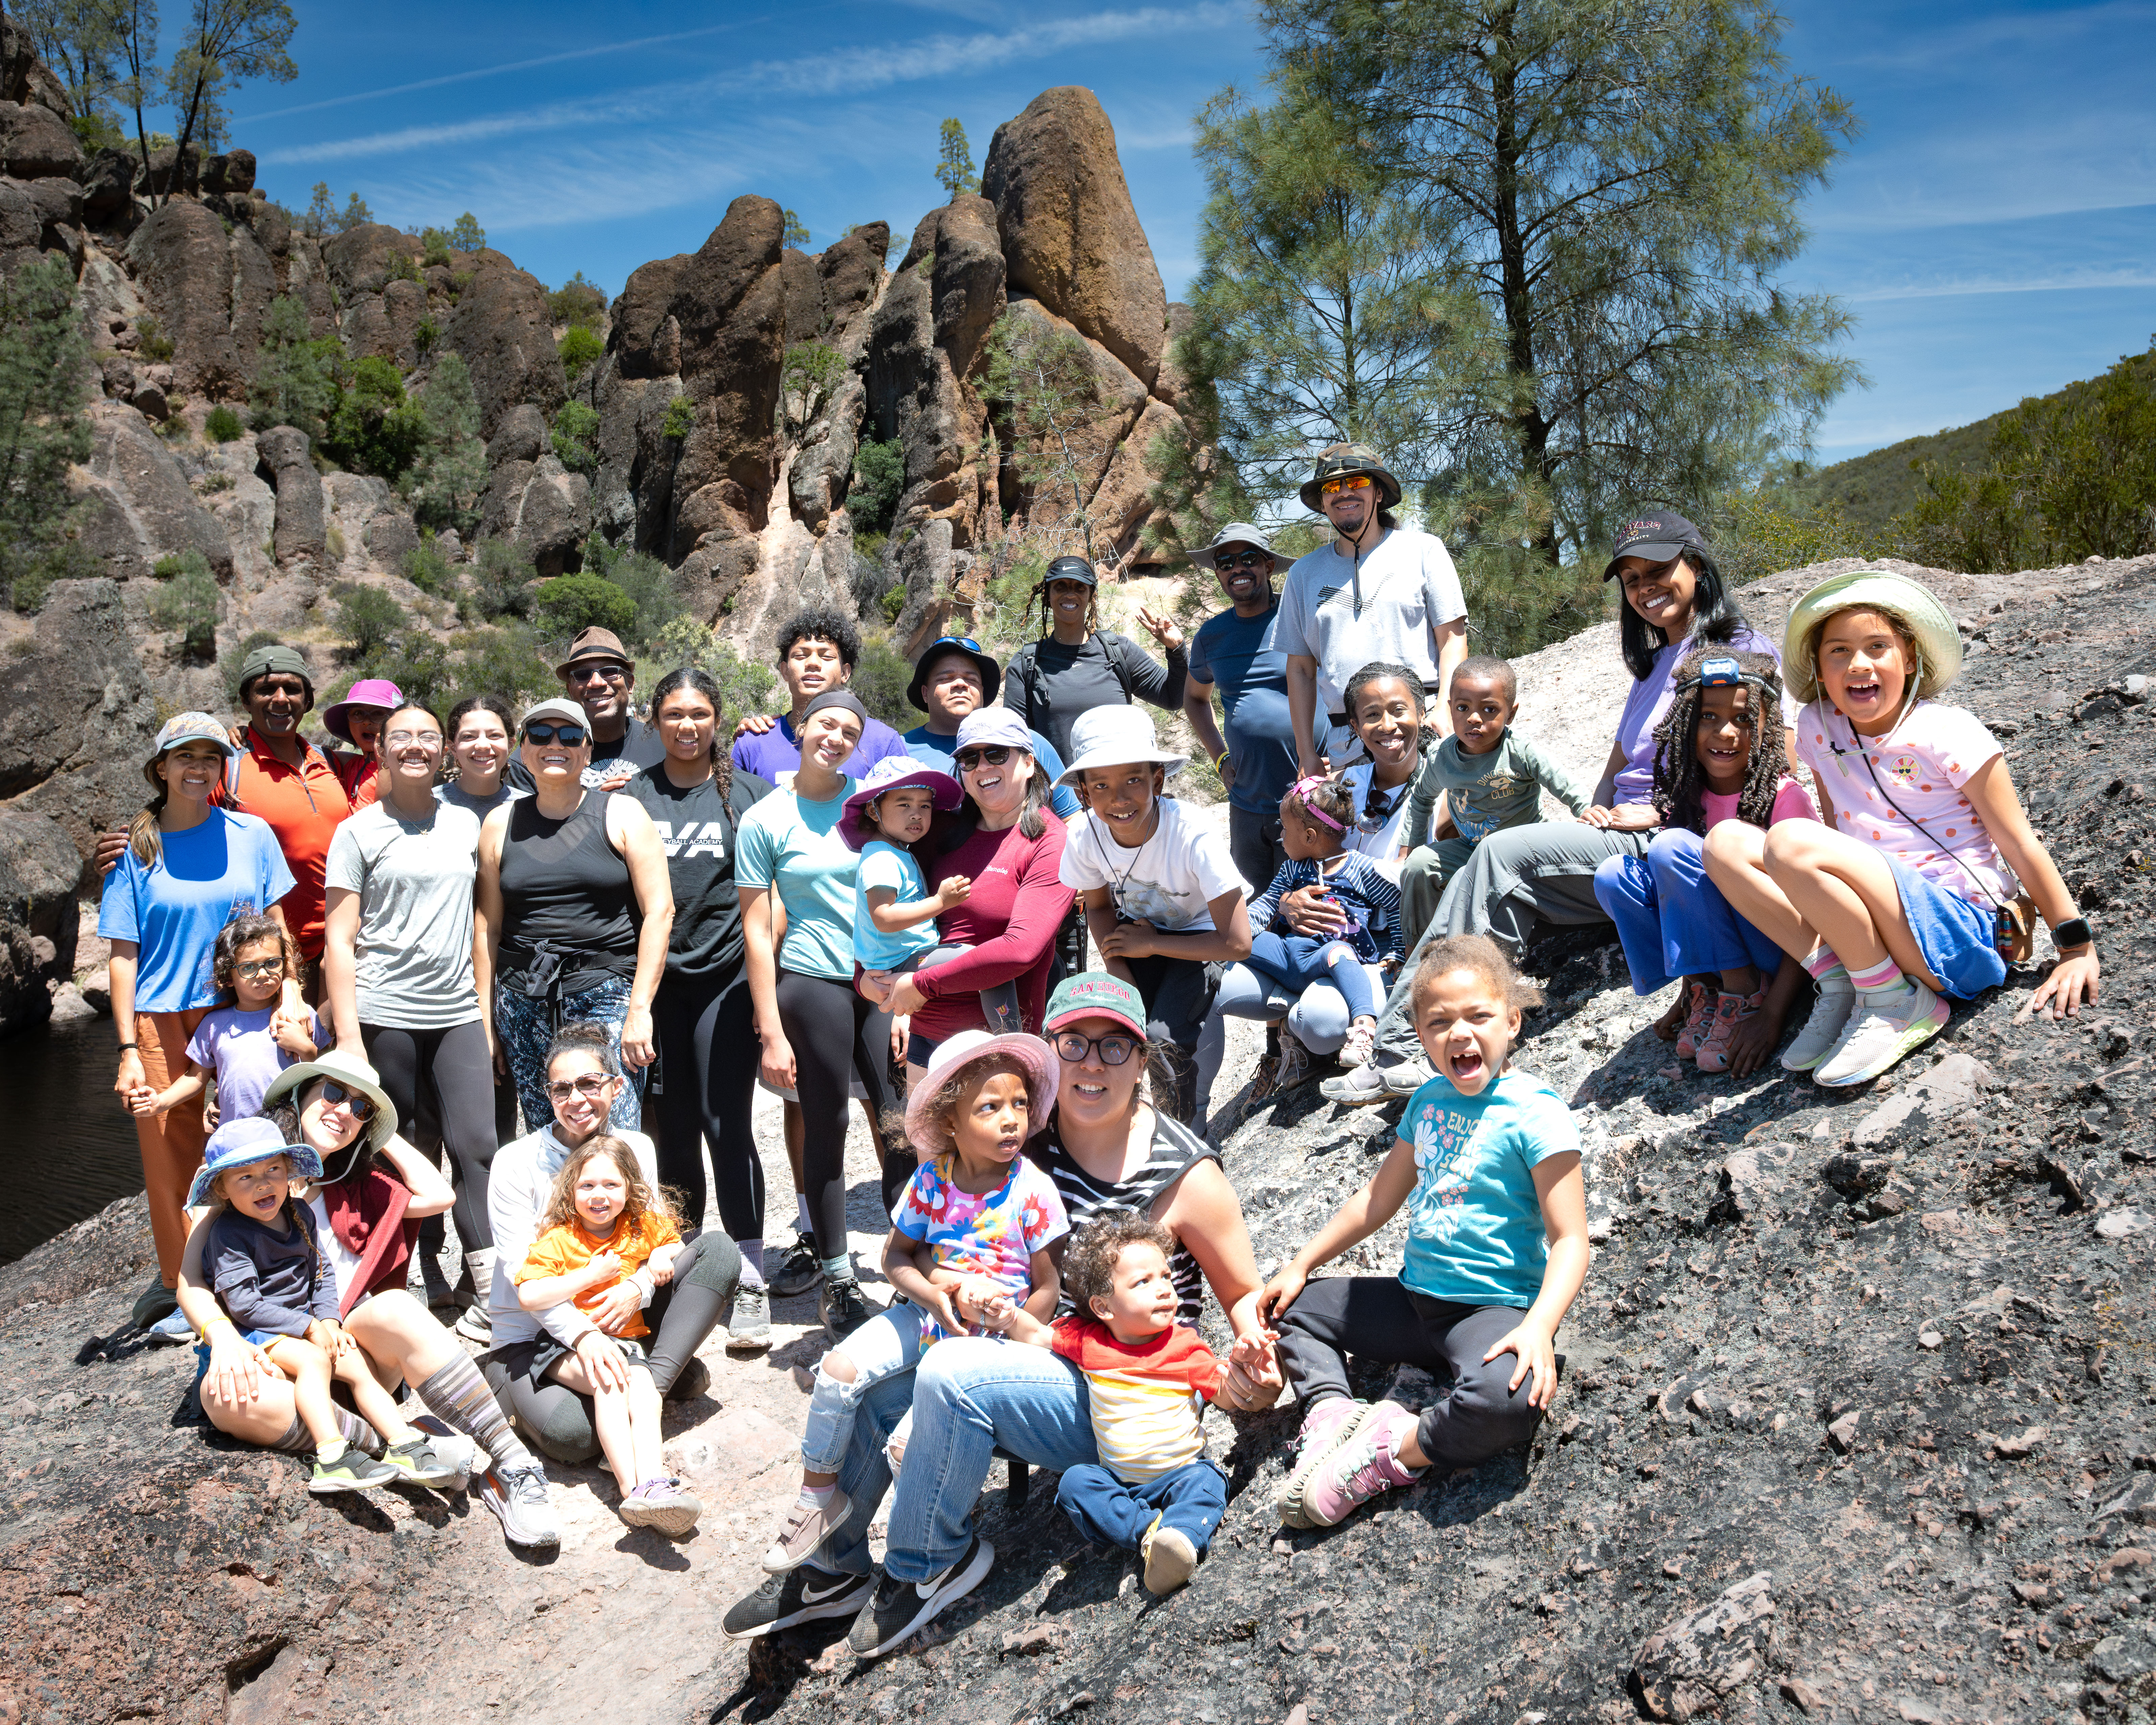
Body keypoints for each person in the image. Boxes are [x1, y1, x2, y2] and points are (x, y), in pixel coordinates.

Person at [719, 972, 1285, 1659]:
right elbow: (929, 1246)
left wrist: (1256, 1376)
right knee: (873, 1391)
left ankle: (926, 1565)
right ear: (1052, 1051)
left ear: (1143, 1059)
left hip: (1124, 1399)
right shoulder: (1021, 1144)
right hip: (1031, 1356)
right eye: (1074, 1042)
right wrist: (948, 1283)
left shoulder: (1188, 1175)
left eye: (1114, 1048)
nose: (1090, 1063)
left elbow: (1247, 1307)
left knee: (954, 1374)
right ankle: (834, 1571)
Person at [1322, 510, 1796, 1105]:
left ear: (1696, 567)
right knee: (1479, 875)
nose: (1646, 587)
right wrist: (1592, 813)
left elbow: (1766, 764)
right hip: (1614, 848)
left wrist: (1664, 811)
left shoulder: (1736, 650)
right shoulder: (1653, 666)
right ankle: (1446, 1040)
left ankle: (1405, 1045)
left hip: (1671, 842)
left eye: (1659, 570)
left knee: (1499, 855)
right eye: (1631, 579)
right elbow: (1617, 766)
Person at [1705, 569, 2101, 1085]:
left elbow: (2018, 840)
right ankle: (1846, 982)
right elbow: (1839, 831)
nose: (1859, 664)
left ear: (1910, 657)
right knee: (1724, 843)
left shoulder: (1948, 730)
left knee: (1790, 841)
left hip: (1960, 936)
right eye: (1839, 652)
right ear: (1821, 671)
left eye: (1877, 646)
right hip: (1878, 929)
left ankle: (1895, 1002)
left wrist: (2075, 948)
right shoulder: (1816, 726)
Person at [1259, 935, 1589, 1529]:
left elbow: (1571, 1238)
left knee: (1504, 1403)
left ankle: (1391, 1451)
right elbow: (1378, 1197)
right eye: (1439, 1023)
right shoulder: (1429, 1100)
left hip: (1489, 1312)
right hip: (1415, 1303)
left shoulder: (1537, 1112)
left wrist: (1539, 1326)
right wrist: (1301, 1263)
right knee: (1290, 1304)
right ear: (1418, 1032)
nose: (1460, 1034)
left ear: (1512, 1020)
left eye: (1479, 1016)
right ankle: (1333, 1414)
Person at [173, 1051, 563, 1547]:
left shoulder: (362, 1186)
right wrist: (224, 1339)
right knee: (231, 1400)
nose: (344, 1111)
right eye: (333, 1094)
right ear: (299, 1094)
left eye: (362, 1109)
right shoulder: (238, 1176)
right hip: (265, 1354)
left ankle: (512, 1466)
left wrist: (377, 1128)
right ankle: (398, 1444)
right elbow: (190, 1282)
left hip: (344, 1347)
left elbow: (439, 1194)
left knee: (398, 1308)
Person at [759, 1029, 1064, 1575]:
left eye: (1019, 1103)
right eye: (990, 1107)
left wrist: (1012, 1329)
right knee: (836, 1371)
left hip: (989, 1343)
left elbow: (1049, 1287)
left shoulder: (1032, 1189)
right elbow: (895, 1258)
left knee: (908, 1447)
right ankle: (818, 1498)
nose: (1011, 1118)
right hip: (927, 1313)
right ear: (951, 1121)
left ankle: (935, 1543)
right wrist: (936, 1295)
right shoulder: (932, 1180)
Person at [104, 713, 297, 1341]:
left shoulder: (252, 833)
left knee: (262, 1140)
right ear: (161, 768)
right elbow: (123, 955)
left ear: (222, 768)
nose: (198, 768)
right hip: (162, 1018)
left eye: (210, 758)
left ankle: (273, 1265)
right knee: (170, 1152)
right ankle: (186, 1284)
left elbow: (276, 927)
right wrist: (129, 1050)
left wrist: (289, 992)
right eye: (184, 757)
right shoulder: (137, 850)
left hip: (242, 1006)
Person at [484, 1023, 743, 1465]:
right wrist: (583, 1336)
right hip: (536, 1337)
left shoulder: (637, 1147)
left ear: (617, 1086)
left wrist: (638, 1287)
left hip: (621, 1315)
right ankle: (658, 1372)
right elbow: (523, 1280)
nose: (576, 1099)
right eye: (562, 1089)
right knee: (575, 1438)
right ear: (548, 1096)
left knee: (717, 1251)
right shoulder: (515, 1163)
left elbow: (657, 1238)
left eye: (589, 1083)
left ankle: (649, 1389)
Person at [324, 701, 500, 1342]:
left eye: (429, 736)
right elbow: (338, 942)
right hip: (383, 1013)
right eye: (404, 738)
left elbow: (483, 925)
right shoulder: (359, 831)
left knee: (477, 1147)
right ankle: (409, 1285)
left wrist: (483, 1015)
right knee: (401, 1153)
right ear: (381, 751)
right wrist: (347, 1040)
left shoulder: (466, 825)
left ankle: (488, 1292)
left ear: (445, 750)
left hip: (454, 1010)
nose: (417, 747)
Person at [737, 689, 900, 1338]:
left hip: (880, 982)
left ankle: (915, 1259)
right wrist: (770, 1027)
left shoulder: (870, 801)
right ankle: (837, 1277)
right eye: (825, 725)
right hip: (810, 979)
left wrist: (911, 986)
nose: (835, 738)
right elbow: (755, 930)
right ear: (801, 728)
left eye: (849, 732)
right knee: (827, 1121)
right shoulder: (766, 819)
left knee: (903, 1123)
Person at [625, 668, 778, 1352]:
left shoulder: (749, 796)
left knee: (727, 1125)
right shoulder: (631, 796)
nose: (686, 726)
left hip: (725, 982)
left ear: (718, 718)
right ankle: (690, 1272)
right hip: (658, 988)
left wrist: (759, 980)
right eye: (673, 715)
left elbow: (774, 895)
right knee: (674, 1132)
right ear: (654, 721)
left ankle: (749, 1276)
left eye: (699, 714)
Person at [1593, 650, 1816, 1076]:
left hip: (1780, 950)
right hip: (1726, 949)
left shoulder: (1784, 798)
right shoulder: (1687, 795)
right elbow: (1688, 903)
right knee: (1614, 876)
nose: (1726, 732)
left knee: (1670, 848)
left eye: (1744, 719)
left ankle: (1744, 992)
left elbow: (1814, 913)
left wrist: (1771, 1015)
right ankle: (1706, 987)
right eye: (1707, 717)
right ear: (1684, 724)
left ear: (1770, 727)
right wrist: (1686, 994)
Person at [988, 1211, 1229, 1596]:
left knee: (1209, 1480)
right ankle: (1151, 1535)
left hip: (1182, 1471)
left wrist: (1246, 1372)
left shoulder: (1183, 1344)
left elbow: (1225, 1390)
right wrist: (1007, 1316)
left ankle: (1181, 1538)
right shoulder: (1089, 1341)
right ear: (1103, 1307)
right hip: (1121, 1484)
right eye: (1143, 1282)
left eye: (1166, 1276)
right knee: (1075, 1483)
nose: (1165, 1288)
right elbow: (1034, 1333)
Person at [476, 696, 675, 1135]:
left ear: (587, 749)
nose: (555, 744)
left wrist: (639, 1009)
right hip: (522, 1000)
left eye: (569, 736)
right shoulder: (499, 823)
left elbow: (660, 911)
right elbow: (486, 928)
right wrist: (487, 1025)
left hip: (605, 993)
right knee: (548, 1135)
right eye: (540, 735)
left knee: (612, 1133)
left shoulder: (622, 814)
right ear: (522, 748)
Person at [187, 1117, 412, 1494]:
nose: (263, 1183)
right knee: (315, 1360)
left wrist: (330, 1320)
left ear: (288, 1171)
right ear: (222, 1189)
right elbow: (243, 1305)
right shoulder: (227, 1234)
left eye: (273, 1169)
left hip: (300, 1324)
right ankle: (332, 1454)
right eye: (245, 1177)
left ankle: (404, 1444)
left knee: (354, 1362)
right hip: (253, 1332)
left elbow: (320, 1274)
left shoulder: (299, 1213)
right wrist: (308, 1327)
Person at [1057, 707, 1252, 1122]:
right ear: (1084, 794)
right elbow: (1098, 905)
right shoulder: (1084, 835)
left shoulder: (1191, 833)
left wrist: (1150, 944)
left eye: (1133, 780)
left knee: (1163, 1039)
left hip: (1202, 937)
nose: (1119, 799)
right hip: (1138, 936)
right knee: (1115, 1028)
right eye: (1102, 786)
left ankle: (1180, 1140)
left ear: (1157, 780)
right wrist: (1118, 968)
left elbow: (1236, 942)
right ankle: (1121, 1125)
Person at [877, 707, 1076, 1093]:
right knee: (932, 1152)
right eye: (970, 758)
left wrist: (920, 984)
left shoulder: (1049, 842)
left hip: (1001, 1038)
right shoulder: (943, 830)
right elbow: (886, 903)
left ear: (1029, 762)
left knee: (999, 1153)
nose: (982, 765)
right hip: (927, 1031)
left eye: (997, 754)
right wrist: (876, 983)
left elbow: (1020, 950)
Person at [513, 1134, 701, 1535]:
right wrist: (587, 1276)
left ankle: (649, 1488)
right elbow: (529, 1294)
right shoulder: (560, 1239)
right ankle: (634, 1488)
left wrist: (656, 1258)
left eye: (611, 1185)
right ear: (571, 1190)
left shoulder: (640, 1226)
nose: (599, 1195)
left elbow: (673, 1242)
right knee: (614, 1385)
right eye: (587, 1185)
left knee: (643, 1393)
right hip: (565, 1346)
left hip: (625, 1345)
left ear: (631, 1188)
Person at [1199, 775, 1404, 1115]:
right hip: (1290, 955)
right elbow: (1264, 908)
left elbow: (1396, 904)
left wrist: (1396, 951)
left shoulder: (1361, 869)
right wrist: (1238, 933)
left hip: (1331, 959)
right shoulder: (1294, 869)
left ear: (1309, 836)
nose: (1280, 837)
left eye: (1286, 830)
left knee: (1339, 953)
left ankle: (1363, 1026)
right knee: (1242, 942)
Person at [1277, 444, 1467, 773]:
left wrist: (1446, 712)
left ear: (1378, 492)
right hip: (1347, 750)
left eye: (1357, 482)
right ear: (1323, 503)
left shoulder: (1424, 551)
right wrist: (1306, 752)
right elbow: (1301, 670)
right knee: (1364, 827)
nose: (1344, 493)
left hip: (1426, 734)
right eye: (1332, 487)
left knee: (1438, 825)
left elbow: (1453, 640)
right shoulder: (1302, 575)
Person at [1399, 656, 1591, 950]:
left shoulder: (1519, 752)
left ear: (1510, 714)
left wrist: (1586, 810)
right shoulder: (1441, 757)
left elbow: (1562, 782)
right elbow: (1423, 798)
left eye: (1489, 710)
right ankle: (1419, 952)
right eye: (1463, 708)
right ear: (1451, 708)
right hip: (1471, 849)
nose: (1474, 719)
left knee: (1473, 882)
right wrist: (1410, 849)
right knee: (1418, 866)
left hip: (1523, 851)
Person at [844, 756, 1023, 1041]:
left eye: (925, 806)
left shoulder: (896, 851)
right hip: (903, 961)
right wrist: (941, 902)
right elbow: (884, 918)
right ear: (874, 811)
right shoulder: (881, 858)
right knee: (986, 963)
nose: (916, 814)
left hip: (907, 958)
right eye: (904, 805)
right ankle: (1013, 1039)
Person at [1182, 523, 1302, 893]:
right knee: (1252, 913)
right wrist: (1219, 759)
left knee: (1305, 911)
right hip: (1247, 804)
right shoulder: (1212, 635)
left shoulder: (1300, 617)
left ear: (1268, 565)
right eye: (1226, 562)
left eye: (1248, 558)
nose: (1237, 568)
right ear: (1218, 572)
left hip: (1305, 799)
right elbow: (1194, 698)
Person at [131, 914, 322, 1132]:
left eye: (272, 963)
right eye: (248, 967)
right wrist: (160, 1103)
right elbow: (196, 1078)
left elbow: (326, 1075)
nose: (262, 974)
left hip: (291, 1137)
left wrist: (307, 1049)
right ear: (228, 976)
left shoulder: (301, 1016)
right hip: (235, 1139)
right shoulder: (214, 1025)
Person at [1002, 553, 1190, 765]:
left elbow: (1174, 698)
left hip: (1119, 791)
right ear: (1047, 595)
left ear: (1091, 595)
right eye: (1061, 586)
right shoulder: (1026, 664)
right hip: (1059, 794)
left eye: (1080, 587)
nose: (1070, 594)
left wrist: (1177, 650)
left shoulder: (1119, 651)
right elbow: (1015, 741)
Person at [899, 634, 1080, 820]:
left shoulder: (1028, 741)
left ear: (983, 693)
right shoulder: (899, 749)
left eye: (972, 679)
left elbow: (1071, 819)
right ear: (925, 693)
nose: (961, 684)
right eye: (946, 678)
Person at [733, 606, 913, 784]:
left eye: (826, 657)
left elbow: (907, 806)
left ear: (845, 673)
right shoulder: (753, 742)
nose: (813, 663)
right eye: (801, 655)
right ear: (785, 671)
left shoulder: (882, 742)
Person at [506, 627, 669, 794]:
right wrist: (590, 806)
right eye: (583, 674)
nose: (597, 682)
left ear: (630, 683)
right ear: (570, 690)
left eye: (610, 671)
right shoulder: (536, 756)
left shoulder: (667, 744)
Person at [321, 676, 402, 807]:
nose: (366, 722)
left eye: (378, 714)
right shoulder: (349, 764)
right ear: (348, 723)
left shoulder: (403, 769)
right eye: (358, 713)